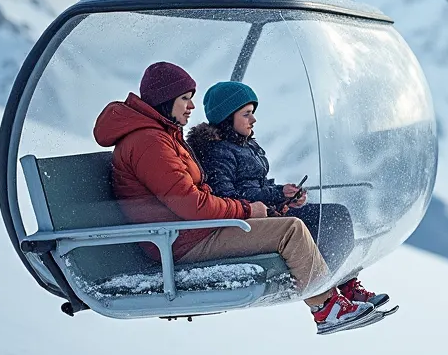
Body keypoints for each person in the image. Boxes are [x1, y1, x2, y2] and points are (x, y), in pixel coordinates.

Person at [92, 62, 373, 335]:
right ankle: (327, 309)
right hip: (181, 241)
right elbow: (192, 204)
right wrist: (246, 210)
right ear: (165, 100)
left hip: (191, 231)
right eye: (185, 98)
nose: (191, 106)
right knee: (291, 230)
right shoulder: (149, 143)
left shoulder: (161, 136)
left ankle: (335, 294)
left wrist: (262, 203)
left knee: (307, 221)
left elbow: (193, 198)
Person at [185, 80, 390, 310]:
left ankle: (345, 283)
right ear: (227, 117)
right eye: (246, 114)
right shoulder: (216, 152)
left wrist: (284, 194)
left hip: (265, 211)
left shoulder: (244, 144)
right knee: (322, 221)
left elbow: (257, 184)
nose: (253, 120)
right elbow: (227, 195)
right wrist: (276, 195)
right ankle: (327, 294)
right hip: (247, 220)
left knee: (336, 216)